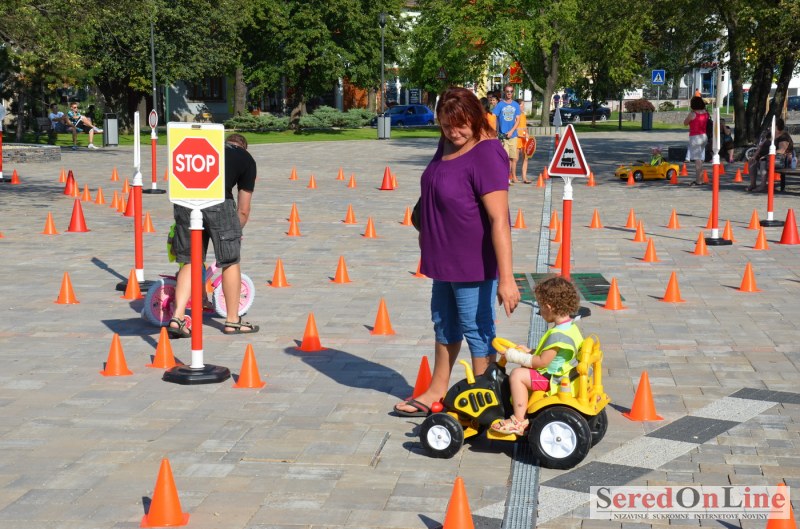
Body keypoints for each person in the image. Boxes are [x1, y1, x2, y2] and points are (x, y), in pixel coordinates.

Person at [393, 87, 521, 417]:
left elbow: (500, 220)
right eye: (447, 125)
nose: (454, 132)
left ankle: (486, 403)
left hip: (472, 262)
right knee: (444, 324)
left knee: (477, 329)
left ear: (475, 117)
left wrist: (507, 279)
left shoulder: (487, 153)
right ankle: (436, 390)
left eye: (461, 125)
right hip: (443, 259)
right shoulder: (447, 142)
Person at [167, 133, 259, 338]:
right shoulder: (246, 159)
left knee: (190, 260)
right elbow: (243, 210)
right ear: (244, 147)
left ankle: (178, 318)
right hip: (219, 203)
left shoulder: (207, 148)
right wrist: (235, 232)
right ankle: (233, 321)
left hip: (185, 200)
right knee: (230, 261)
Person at [491, 277, 582, 435]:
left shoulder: (558, 335)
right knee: (522, 371)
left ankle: (518, 420)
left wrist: (513, 356)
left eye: (540, 307)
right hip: (564, 374)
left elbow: (541, 362)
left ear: (549, 307)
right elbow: (552, 355)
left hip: (552, 380)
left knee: (517, 375)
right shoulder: (570, 328)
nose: (540, 312)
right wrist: (530, 351)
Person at [747, 118, 794, 192]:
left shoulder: (784, 136)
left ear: (777, 126)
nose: (769, 127)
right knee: (752, 161)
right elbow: (761, 147)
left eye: (771, 126)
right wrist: (754, 156)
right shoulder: (770, 134)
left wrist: (767, 156)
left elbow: (781, 150)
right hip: (766, 157)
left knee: (763, 161)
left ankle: (763, 186)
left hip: (781, 159)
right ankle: (752, 184)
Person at [493, 84, 521, 184]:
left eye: (511, 91)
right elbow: (494, 116)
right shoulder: (500, 104)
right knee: (505, 157)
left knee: (513, 158)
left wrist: (512, 131)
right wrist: (495, 130)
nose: (509, 93)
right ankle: (506, 177)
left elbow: (518, 120)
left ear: (513, 92)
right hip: (503, 135)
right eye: (507, 91)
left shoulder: (516, 105)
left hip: (513, 135)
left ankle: (513, 176)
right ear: (504, 92)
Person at [683, 96, 709, 186]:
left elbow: (685, 123)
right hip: (704, 136)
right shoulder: (706, 113)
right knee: (700, 159)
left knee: (697, 160)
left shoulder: (692, 114)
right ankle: (701, 179)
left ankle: (698, 180)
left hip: (695, 137)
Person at [515, 99, 531, 184]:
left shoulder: (523, 115)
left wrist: (527, 134)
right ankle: (512, 176)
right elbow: (514, 129)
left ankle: (524, 177)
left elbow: (525, 127)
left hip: (524, 139)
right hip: (517, 139)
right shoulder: (515, 115)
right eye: (522, 105)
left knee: (526, 158)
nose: (524, 106)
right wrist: (521, 135)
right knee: (515, 159)